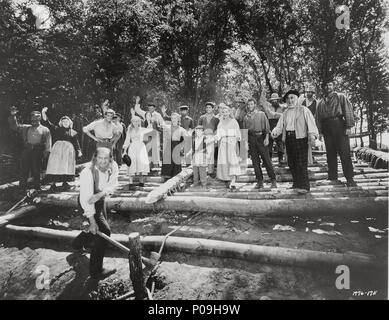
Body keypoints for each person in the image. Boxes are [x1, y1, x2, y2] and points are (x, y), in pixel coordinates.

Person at [73, 147, 119, 280]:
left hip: (99, 199)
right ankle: (96, 271)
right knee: (104, 231)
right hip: (86, 202)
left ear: (110, 159)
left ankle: (77, 244)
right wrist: (91, 219)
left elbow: (114, 184)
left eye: (106, 159)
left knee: (96, 228)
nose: (103, 162)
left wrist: (101, 194)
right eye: (100, 158)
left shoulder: (113, 166)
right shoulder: (87, 172)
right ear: (94, 158)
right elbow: (86, 199)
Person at [271, 89, 318, 194]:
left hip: (301, 138)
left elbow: (311, 123)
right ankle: (296, 184)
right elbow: (280, 125)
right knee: (292, 163)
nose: (290, 100)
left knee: (301, 163)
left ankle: (305, 186)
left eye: (292, 98)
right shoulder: (285, 112)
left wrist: (313, 135)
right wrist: (275, 132)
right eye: (288, 99)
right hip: (289, 138)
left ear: (296, 99)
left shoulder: (304, 110)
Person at [315, 81, 357, 187]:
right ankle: (333, 177)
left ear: (333, 86)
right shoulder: (321, 102)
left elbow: (348, 110)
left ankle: (349, 178)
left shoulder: (340, 97)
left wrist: (348, 126)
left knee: (344, 152)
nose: (328, 87)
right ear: (323, 88)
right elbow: (318, 118)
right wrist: (319, 132)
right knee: (330, 154)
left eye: (330, 85)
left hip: (339, 125)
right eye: (325, 85)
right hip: (326, 128)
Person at [8, 107, 51, 191]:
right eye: (33, 119)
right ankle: (22, 187)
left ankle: (37, 187)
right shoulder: (26, 127)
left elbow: (48, 142)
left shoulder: (45, 129)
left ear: (40, 119)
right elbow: (14, 126)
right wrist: (13, 116)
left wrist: (47, 152)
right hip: (27, 151)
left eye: (36, 118)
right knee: (24, 169)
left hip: (38, 151)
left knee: (36, 170)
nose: (34, 120)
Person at [41, 107, 82, 191]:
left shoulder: (73, 132)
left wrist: (79, 150)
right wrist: (43, 113)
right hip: (57, 149)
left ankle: (65, 183)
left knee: (66, 165)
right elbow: (47, 123)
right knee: (55, 165)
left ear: (70, 123)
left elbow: (76, 142)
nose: (65, 123)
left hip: (68, 151)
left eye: (67, 121)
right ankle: (53, 184)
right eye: (63, 121)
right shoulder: (57, 129)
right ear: (61, 123)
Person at [243, 99, 277, 189]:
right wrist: (245, 143)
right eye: (248, 104)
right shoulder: (246, 117)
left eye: (251, 104)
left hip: (261, 138)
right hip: (251, 139)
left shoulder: (261, 114)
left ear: (255, 104)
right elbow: (244, 131)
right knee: (255, 161)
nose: (250, 106)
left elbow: (267, 127)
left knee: (266, 159)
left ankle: (273, 180)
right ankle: (260, 181)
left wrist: (266, 138)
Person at [214, 103, 241, 190]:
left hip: (231, 143)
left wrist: (235, 143)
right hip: (223, 143)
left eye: (226, 112)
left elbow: (238, 134)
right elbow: (218, 134)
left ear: (229, 112)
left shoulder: (233, 121)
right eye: (223, 112)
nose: (225, 113)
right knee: (224, 162)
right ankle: (227, 180)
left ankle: (233, 181)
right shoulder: (220, 122)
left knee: (232, 161)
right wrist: (214, 138)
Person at [122, 116, 154, 188]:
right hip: (133, 147)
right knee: (132, 162)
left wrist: (149, 121)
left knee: (141, 162)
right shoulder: (129, 130)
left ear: (139, 122)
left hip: (141, 147)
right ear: (132, 122)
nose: (136, 122)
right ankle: (130, 182)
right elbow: (127, 140)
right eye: (134, 121)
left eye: (137, 121)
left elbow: (150, 130)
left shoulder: (142, 129)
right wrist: (124, 150)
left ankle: (141, 182)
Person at [134, 97, 165, 168]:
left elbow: (162, 123)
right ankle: (148, 165)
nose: (150, 109)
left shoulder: (158, 115)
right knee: (147, 149)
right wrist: (137, 102)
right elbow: (137, 110)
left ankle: (156, 165)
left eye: (151, 108)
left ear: (154, 108)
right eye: (149, 108)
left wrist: (159, 125)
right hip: (147, 133)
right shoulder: (146, 114)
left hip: (155, 133)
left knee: (155, 149)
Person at [161, 113, 188, 180]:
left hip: (176, 145)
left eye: (175, 118)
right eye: (172, 118)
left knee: (175, 163)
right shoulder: (167, 127)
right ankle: (166, 180)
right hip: (168, 146)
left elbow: (187, 139)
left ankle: (175, 180)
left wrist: (181, 146)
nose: (173, 120)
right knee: (167, 163)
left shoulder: (181, 129)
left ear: (178, 119)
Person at [198, 102, 219, 177]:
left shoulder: (216, 119)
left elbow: (217, 130)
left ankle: (210, 171)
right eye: (207, 107)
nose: (208, 109)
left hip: (212, 138)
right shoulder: (202, 117)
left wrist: (214, 138)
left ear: (213, 109)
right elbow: (199, 128)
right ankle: (202, 172)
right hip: (203, 137)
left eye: (210, 107)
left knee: (211, 155)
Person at [263, 93, 285, 165]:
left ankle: (280, 159)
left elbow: (284, 115)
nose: (274, 101)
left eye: (276, 100)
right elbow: (262, 101)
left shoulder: (282, 107)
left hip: (279, 124)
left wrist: (274, 114)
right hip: (270, 124)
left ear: (278, 100)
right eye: (273, 100)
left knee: (280, 142)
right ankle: (269, 159)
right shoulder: (268, 107)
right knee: (270, 142)